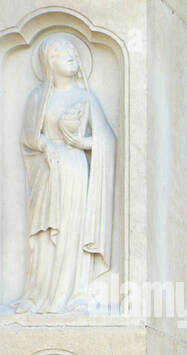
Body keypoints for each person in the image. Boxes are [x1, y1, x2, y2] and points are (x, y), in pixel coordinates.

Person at [14, 34, 115, 314]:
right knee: (45, 232)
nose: (72, 55)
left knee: (72, 229)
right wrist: (45, 144)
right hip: (47, 172)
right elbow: (28, 136)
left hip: (74, 169)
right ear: (49, 61)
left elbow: (106, 139)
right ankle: (37, 295)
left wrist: (84, 143)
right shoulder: (38, 97)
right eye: (62, 52)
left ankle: (76, 293)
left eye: (73, 50)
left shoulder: (85, 96)